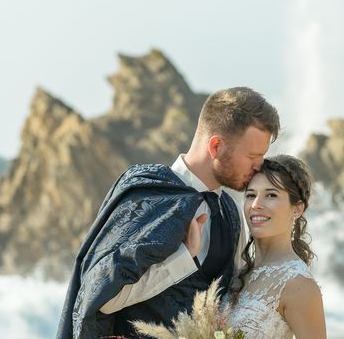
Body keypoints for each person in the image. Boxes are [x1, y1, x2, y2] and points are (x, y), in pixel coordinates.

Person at [56, 87, 280, 339]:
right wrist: (184, 257)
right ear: (216, 146)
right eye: (253, 156)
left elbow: (231, 299)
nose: (259, 166)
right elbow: (101, 298)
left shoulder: (230, 211)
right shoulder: (146, 195)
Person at [227, 155, 326, 339]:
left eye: (271, 195)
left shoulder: (299, 285)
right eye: (251, 195)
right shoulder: (236, 271)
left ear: (297, 209)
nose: (256, 204)